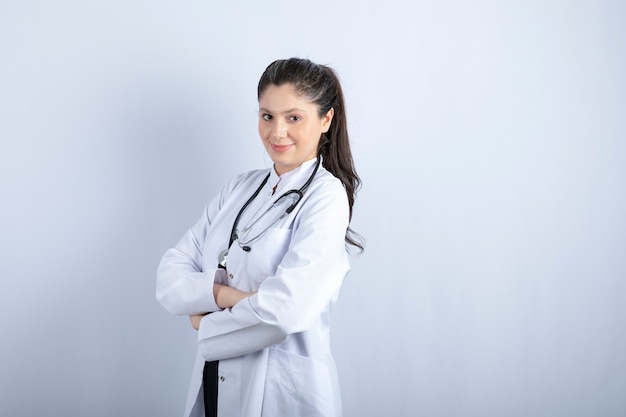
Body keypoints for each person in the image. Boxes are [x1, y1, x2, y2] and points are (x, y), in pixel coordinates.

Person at [156, 57, 363, 417]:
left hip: (283, 394)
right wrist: (226, 294)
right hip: (214, 383)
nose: (276, 132)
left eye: (293, 117)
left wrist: (204, 315)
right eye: (267, 116)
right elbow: (170, 275)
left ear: (325, 120)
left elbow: (284, 312)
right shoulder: (239, 188)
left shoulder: (326, 198)